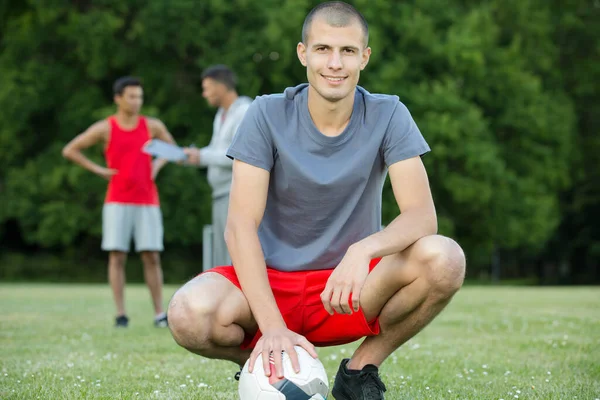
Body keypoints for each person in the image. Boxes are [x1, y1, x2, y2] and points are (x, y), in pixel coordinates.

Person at [167, 2, 466, 399]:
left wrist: (361, 251)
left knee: (445, 259)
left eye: (347, 51)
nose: (335, 63)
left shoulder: (389, 113)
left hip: (351, 288)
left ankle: (360, 370)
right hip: (270, 285)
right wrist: (271, 325)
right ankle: (268, 367)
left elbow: (422, 216)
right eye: (323, 49)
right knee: (187, 314)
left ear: (365, 57)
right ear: (303, 53)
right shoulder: (265, 113)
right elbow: (240, 225)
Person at [62, 76, 176, 329]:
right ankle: (121, 314)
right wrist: (99, 170)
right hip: (117, 200)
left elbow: (173, 149)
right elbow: (70, 149)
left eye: (140, 97)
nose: (137, 101)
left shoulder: (152, 126)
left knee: (152, 255)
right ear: (118, 98)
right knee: (117, 256)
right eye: (132, 96)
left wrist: (157, 164)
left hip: (148, 199)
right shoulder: (106, 127)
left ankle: (159, 313)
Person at [183, 65, 252, 268]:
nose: (204, 94)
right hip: (220, 194)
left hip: (235, 195)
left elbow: (238, 155)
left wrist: (201, 156)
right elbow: (216, 150)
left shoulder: (244, 111)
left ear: (221, 87)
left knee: (234, 254)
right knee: (222, 255)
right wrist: (192, 157)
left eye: (207, 88)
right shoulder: (221, 115)